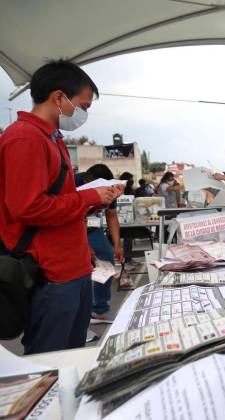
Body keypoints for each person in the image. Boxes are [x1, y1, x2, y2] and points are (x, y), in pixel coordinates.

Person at [0, 60, 122, 354]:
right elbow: (28, 208)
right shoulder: (25, 138)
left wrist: (91, 207)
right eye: (83, 106)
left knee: (72, 357)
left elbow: (57, 203)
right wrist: (90, 198)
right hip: (52, 273)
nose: (83, 114)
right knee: (51, 359)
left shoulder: (52, 139)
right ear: (58, 97)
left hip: (72, 267)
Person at [75, 164, 123, 324]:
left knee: (107, 256)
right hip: (69, 227)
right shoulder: (73, 183)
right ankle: (77, 315)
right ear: (87, 182)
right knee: (78, 268)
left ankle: (99, 309)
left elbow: (112, 215)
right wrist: (84, 245)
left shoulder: (110, 187)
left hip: (91, 227)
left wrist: (117, 245)